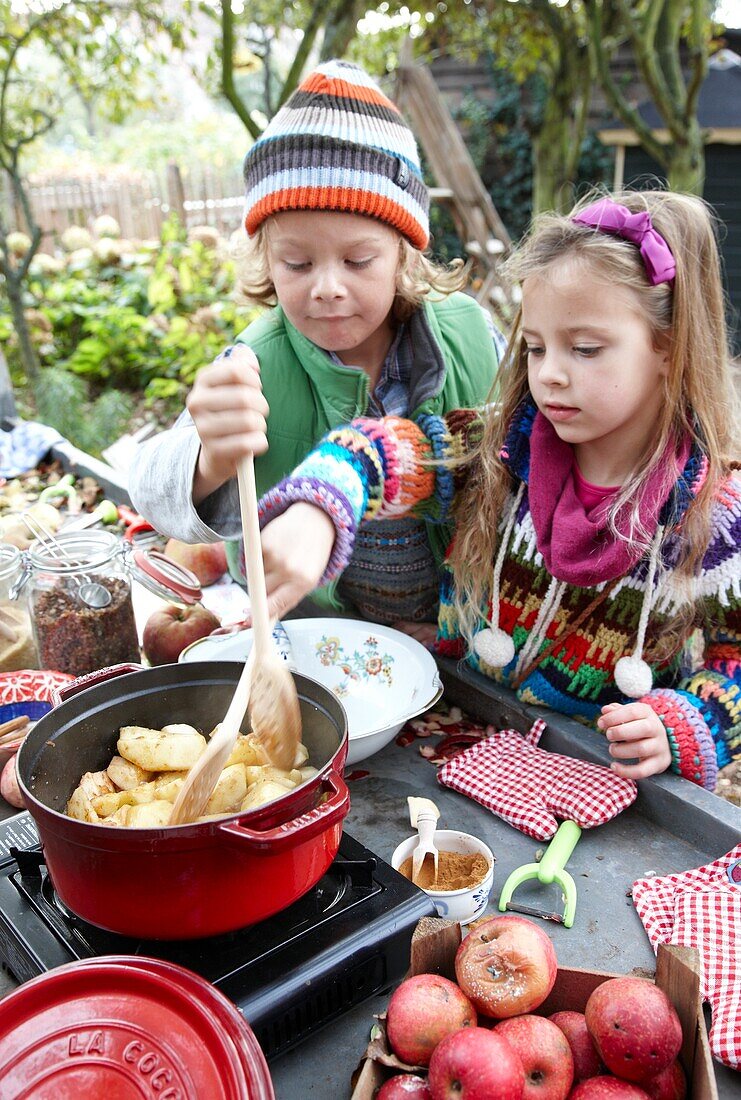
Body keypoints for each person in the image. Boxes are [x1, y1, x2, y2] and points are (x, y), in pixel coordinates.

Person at [248, 189, 740, 788]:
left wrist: (684, 724)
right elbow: (383, 450)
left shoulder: (714, 517)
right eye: (535, 346)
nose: (549, 372)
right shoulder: (499, 450)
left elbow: (735, 660)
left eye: (585, 349)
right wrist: (319, 507)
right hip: (461, 741)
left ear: (667, 347)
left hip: (599, 783)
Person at [129, 59, 505, 644]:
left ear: (405, 252)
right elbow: (153, 496)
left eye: (358, 261)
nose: (327, 286)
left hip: (458, 637)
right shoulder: (255, 363)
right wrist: (207, 459)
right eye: (297, 263)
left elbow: (522, 458)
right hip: (319, 639)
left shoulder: (471, 336)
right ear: (267, 260)